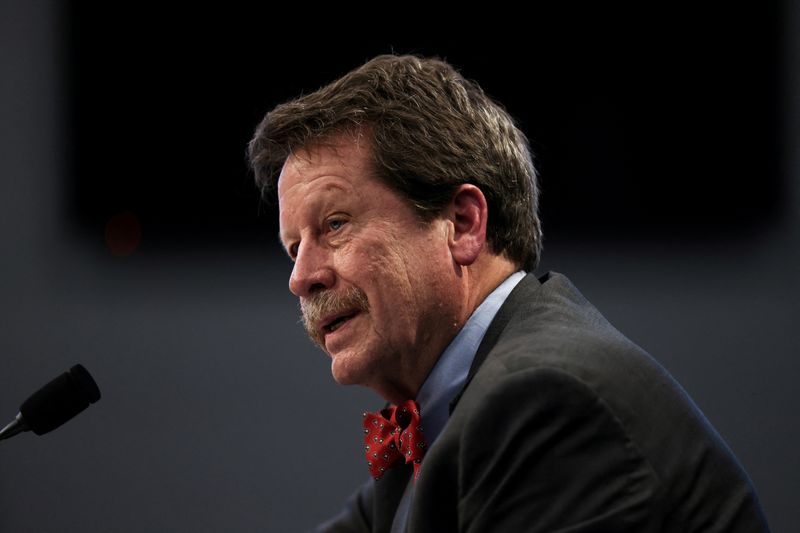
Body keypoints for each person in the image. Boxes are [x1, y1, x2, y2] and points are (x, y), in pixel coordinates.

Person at [248, 55, 770, 532]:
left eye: (335, 225)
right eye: (294, 249)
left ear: (462, 223)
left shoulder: (545, 402)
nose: (301, 277)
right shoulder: (448, 417)